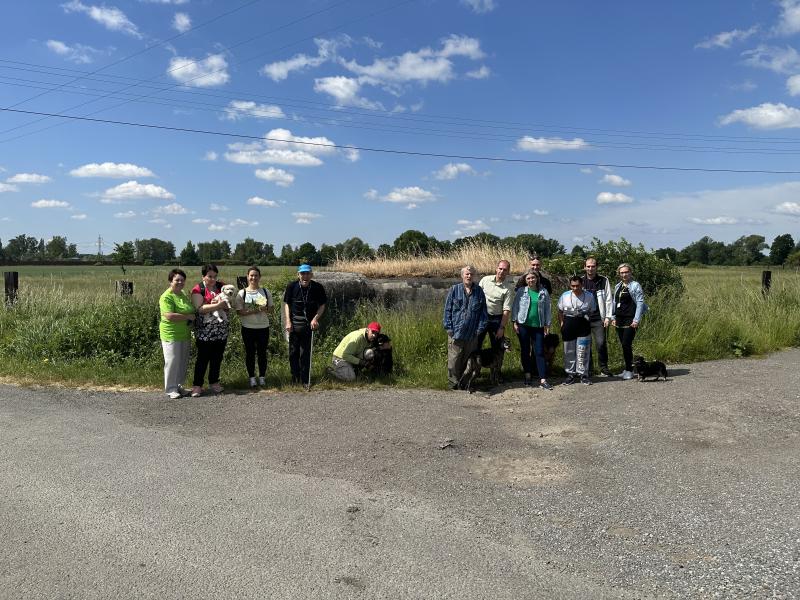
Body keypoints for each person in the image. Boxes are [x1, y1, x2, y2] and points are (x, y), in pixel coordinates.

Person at [443, 265, 488, 390]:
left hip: (472, 334)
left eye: (471, 274)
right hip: (455, 332)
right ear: (462, 276)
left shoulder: (479, 291)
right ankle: (453, 383)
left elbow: (483, 314)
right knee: (454, 359)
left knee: (468, 360)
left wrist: (479, 330)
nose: (469, 276)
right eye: (467, 274)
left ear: (474, 276)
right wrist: (448, 328)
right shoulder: (454, 290)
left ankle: (465, 382)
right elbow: (447, 310)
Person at [283, 263, 327, 385]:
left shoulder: (317, 287)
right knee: (293, 353)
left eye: (307, 273)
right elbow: (287, 304)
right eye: (302, 274)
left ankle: (305, 379)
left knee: (305, 354)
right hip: (293, 326)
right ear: (298, 274)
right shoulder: (291, 286)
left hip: (308, 326)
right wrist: (288, 321)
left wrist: (315, 319)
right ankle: (294, 378)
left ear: (311, 275)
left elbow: (322, 305)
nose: (305, 276)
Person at [190, 264, 230, 397]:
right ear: (203, 276)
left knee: (217, 358)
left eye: (215, 276)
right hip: (204, 331)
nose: (213, 279)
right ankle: (197, 385)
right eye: (210, 276)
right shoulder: (198, 289)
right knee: (202, 359)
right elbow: (200, 309)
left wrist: (224, 306)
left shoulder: (221, 286)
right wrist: (218, 305)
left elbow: (229, 301)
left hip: (220, 329)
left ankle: (214, 382)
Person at [511, 270, 553, 390]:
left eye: (533, 278)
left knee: (539, 352)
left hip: (538, 326)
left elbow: (547, 309)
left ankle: (543, 379)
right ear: (525, 280)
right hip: (523, 324)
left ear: (537, 279)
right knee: (525, 350)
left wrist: (547, 325)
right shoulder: (521, 291)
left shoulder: (543, 292)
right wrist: (514, 321)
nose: (531, 280)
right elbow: (515, 306)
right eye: (528, 278)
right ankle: (527, 375)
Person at [234, 266, 274, 388]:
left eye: (256, 275)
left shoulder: (266, 292)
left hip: (263, 327)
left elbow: (271, 310)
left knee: (262, 353)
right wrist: (255, 310)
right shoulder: (242, 293)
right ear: (247, 277)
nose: (253, 278)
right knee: (250, 353)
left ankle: (262, 377)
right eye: (251, 275)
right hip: (248, 327)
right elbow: (239, 312)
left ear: (259, 277)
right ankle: (252, 377)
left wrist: (265, 309)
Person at [159, 268, 195, 399]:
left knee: (182, 362)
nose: (180, 282)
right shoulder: (166, 296)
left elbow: (190, 309)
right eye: (177, 280)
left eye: (182, 280)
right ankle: (170, 388)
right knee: (172, 361)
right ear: (170, 281)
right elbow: (169, 315)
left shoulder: (183, 294)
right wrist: (188, 317)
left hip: (184, 333)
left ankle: (179, 386)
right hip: (171, 334)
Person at [478, 259, 514, 379]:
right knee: (476, 345)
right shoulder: (485, 280)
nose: (502, 271)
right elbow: (476, 296)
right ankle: (476, 371)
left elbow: (506, 310)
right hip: (482, 318)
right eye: (500, 268)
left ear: (508, 272)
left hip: (496, 319)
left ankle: (496, 374)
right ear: (496, 269)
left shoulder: (508, 289)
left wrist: (501, 327)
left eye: (505, 270)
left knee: (498, 348)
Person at [557, 275, 596, 386]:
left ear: (582, 285)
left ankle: (583, 374)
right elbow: (560, 311)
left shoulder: (589, 296)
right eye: (572, 286)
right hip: (568, 325)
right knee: (569, 351)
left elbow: (592, 311)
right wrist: (562, 324)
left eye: (577, 286)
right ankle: (570, 374)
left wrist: (585, 316)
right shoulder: (564, 296)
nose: (575, 288)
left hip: (583, 326)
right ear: (570, 285)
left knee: (582, 351)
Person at [611, 263, 647, 380]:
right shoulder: (618, 286)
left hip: (630, 319)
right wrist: (613, 317)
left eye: (626, 272)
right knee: (624, 345)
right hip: (619, 319)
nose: (624, 274)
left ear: (631, 273)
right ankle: (627, 369)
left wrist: (636, 320)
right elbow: (614, 302)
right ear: (619, 274)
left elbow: (640, 303)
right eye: (622, 272)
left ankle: (630, 370)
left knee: (627, 344)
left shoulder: (635, 285)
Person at [580, 256, 613, 377]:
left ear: (596, 267)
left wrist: (608, 317)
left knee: (601, 343)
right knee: (586, 344)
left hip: (599, 318)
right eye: (588, 266)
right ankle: (589, 369)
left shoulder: (604, 280)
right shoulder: (581, 281)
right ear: (584, 267)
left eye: (593, 266)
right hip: (583, 319)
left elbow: (609, 299)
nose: (590, 268)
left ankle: (604, 368)